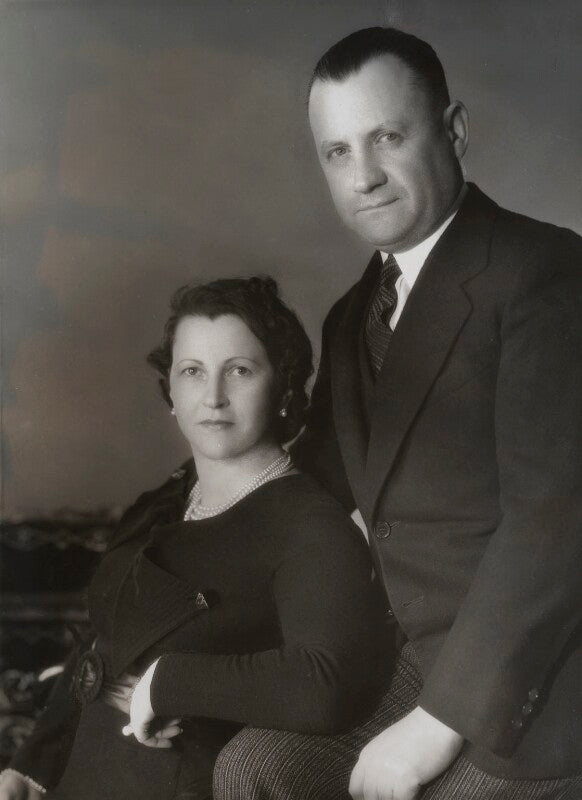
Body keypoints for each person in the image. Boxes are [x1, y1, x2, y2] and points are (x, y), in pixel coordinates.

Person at [213, 27, 582, 800]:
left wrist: (435, 725)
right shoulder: (353, 319)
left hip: (540, 675)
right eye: (337, 152)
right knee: (251, 770)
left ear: (454, 130)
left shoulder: (545, 271)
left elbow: (554, 525)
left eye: (387, 137)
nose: (365, 176)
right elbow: (303, 493)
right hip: (417, 659)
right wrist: (142, 647)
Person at [0, 276, 384, 800]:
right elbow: (105, 639)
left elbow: (327, 683)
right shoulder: (163, 501)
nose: (213, 397)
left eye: (240, 370)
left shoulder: (310, 525)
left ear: (285, 390)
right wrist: (33, 767)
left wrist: (169, 681)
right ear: (172, 395)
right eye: (192, 371)